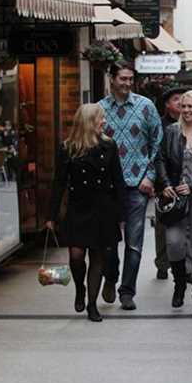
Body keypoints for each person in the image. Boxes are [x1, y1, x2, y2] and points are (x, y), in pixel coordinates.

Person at [46, 104, 125, 322]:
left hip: (103, 208)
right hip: (78, 207)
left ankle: (91, 304)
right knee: (76, 256)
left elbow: (118, 181)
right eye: (101, 118)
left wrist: (121, 215)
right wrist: (51, 216)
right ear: (90, 121)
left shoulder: (109, 146)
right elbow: (59, 183)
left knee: (98, 256)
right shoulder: (68, 148)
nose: (104, 121)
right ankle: (79, 287)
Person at [98, 61, 163, 310]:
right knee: (109, 241)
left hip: (138, 184)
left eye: (130, 79)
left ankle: (127, 291)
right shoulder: (100, 109)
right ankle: (110, 277)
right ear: (112, 79)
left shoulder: (146, 107)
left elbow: (158, 145)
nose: (127, 83)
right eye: (122, 79)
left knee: (134, 241)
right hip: (108, 186)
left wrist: (151, 176)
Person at [157, 90, 192, 313]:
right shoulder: (171, 131)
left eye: (191, 107)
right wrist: (165, 183)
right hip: (174, 196)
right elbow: (160, 158)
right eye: (184, 106)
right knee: (174, 242)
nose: (187, 110)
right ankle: (179, 284)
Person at [153, 86, 184, 281]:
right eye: (176, 99)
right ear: (167, 104)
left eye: (183, 98)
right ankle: (163, 264)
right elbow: (158, 156)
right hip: (165, 184)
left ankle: (183, 265)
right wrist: (161, 183)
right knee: (163, 226)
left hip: (186, 183)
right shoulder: (161, 126)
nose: (180, 102)